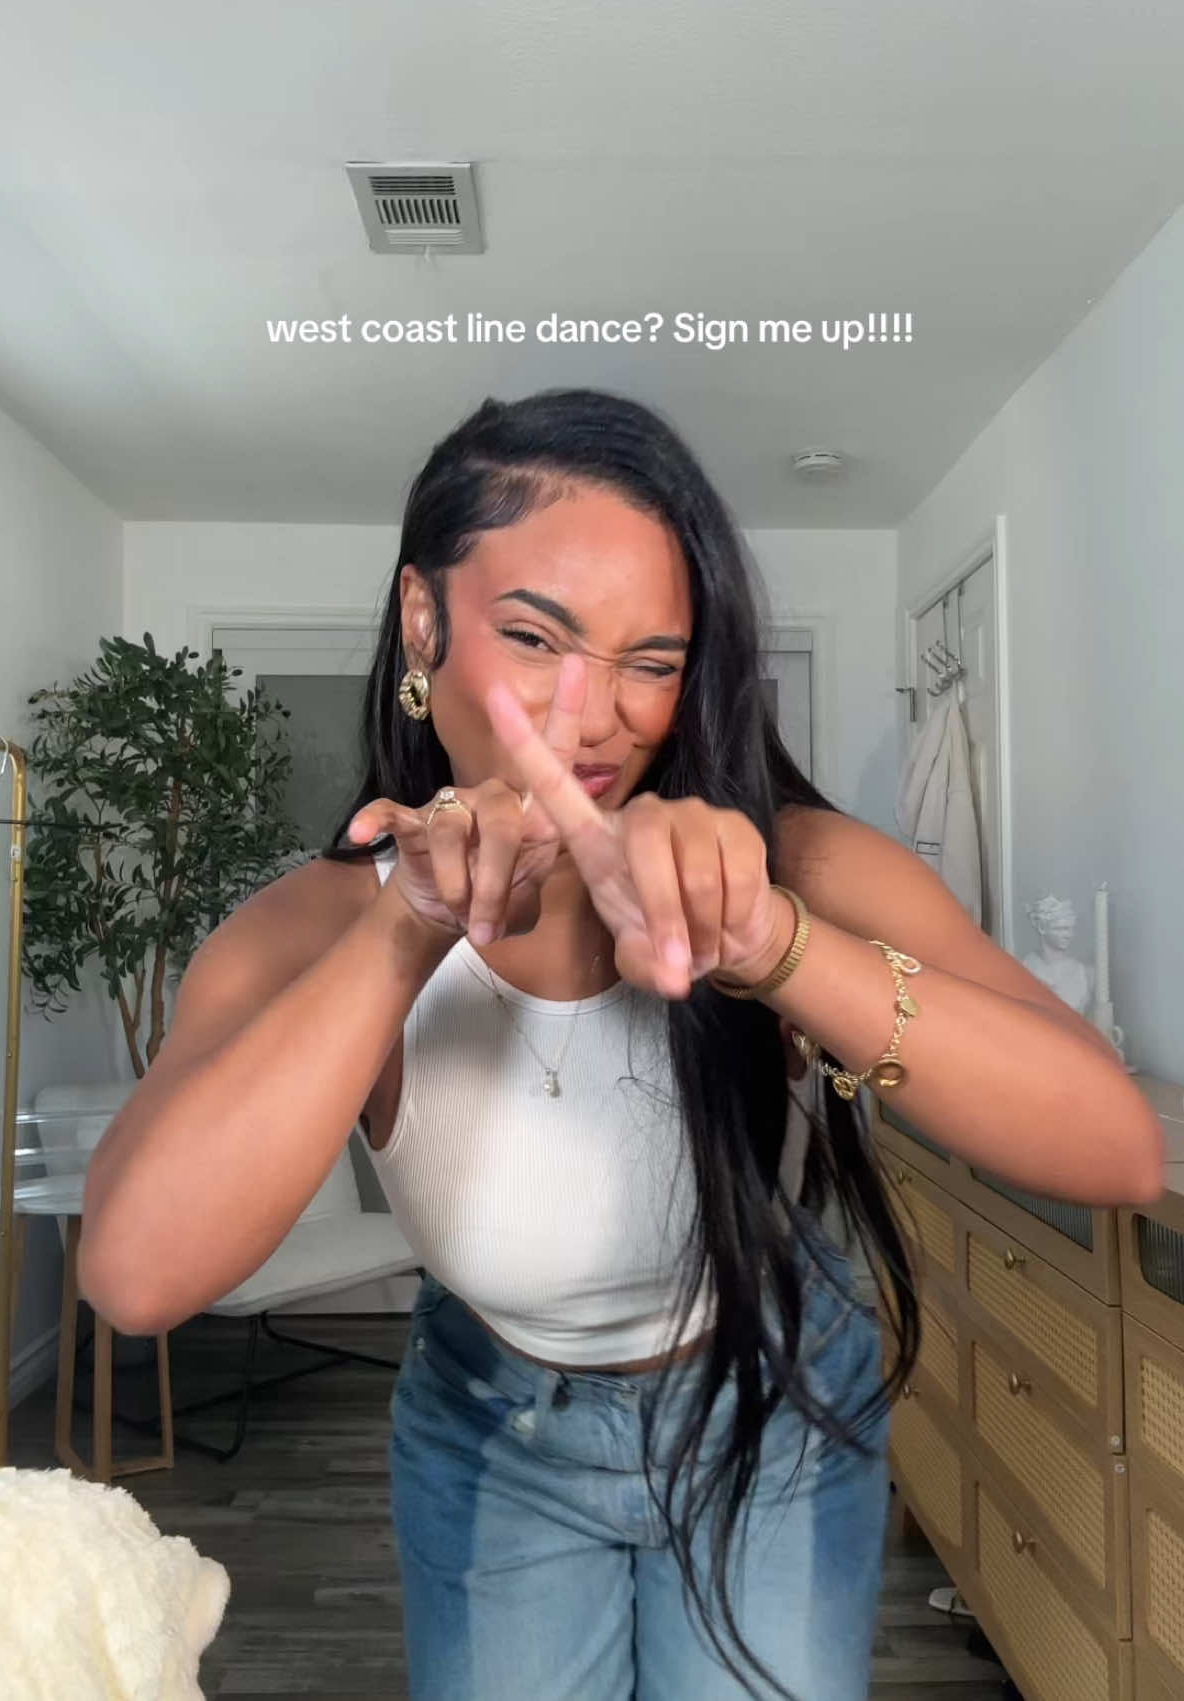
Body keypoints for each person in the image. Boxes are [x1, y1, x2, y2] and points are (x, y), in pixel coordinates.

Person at [79, 389, 1165, 1701]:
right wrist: (405, 931)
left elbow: (1114, 1147)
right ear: (422, 617)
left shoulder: (793, 863)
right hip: (495, 1426)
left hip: (770, 1398)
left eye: (650, 660)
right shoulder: (312, 926)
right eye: (535, 638)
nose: (590, 718)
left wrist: (772, 944)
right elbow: (135, 1273)